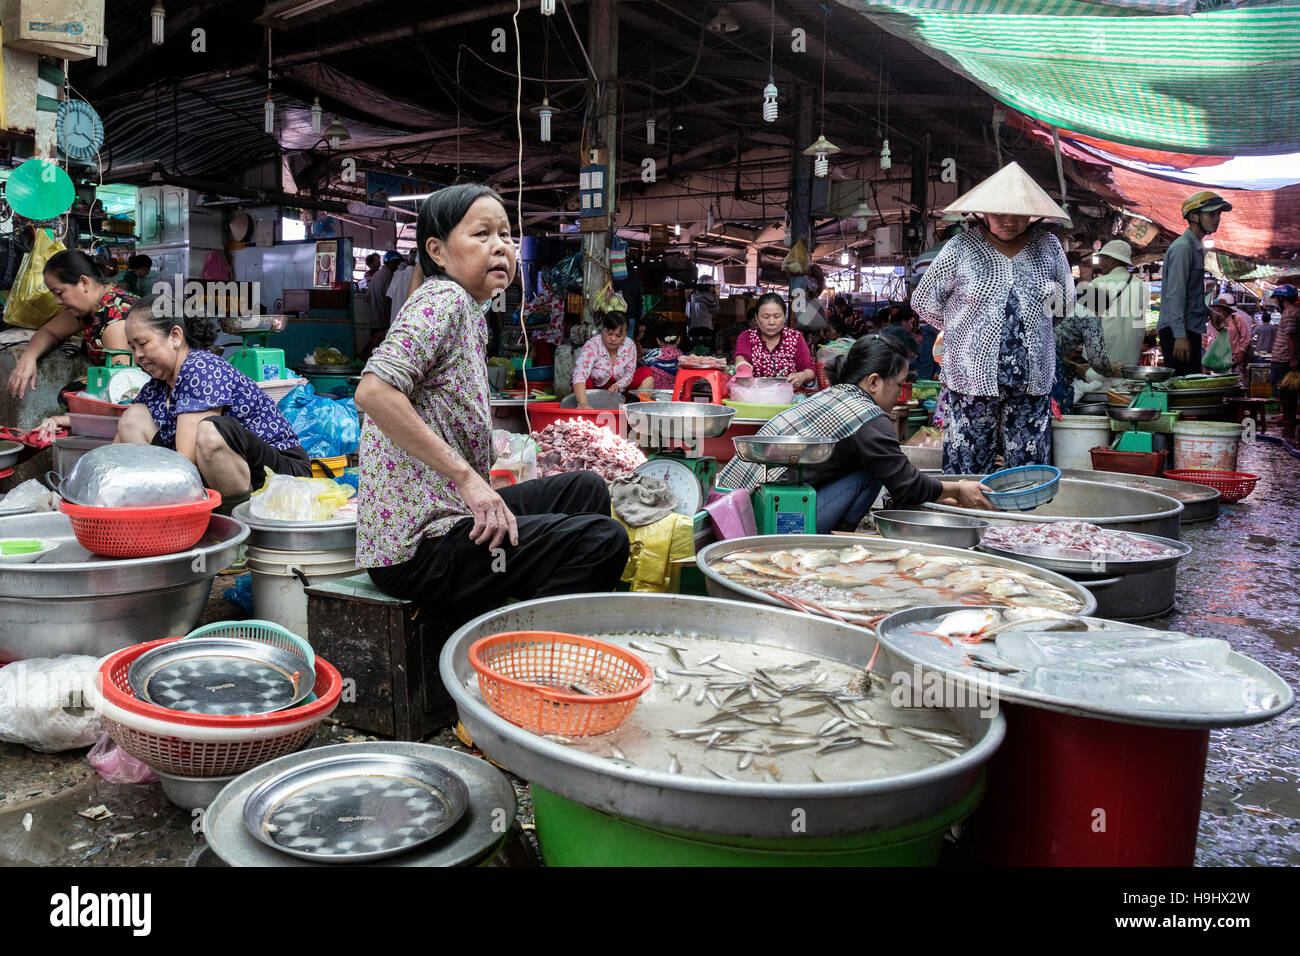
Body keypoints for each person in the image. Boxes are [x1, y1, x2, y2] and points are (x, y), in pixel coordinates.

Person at [353, 184, 628, 628]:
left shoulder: (467, 309)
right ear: (438, 252)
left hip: (452, 518)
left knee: (586, 488)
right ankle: (526, 653)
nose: (500, 246)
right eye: (482, 234)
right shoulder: (444, 300)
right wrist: (467, 478)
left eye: (505, 234)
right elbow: (373, 393)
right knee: (601, 540)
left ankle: (531, 603)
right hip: (417, 549)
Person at [716, 334, 990, 533]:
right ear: (873, 382)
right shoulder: (868, 418)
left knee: (872, 463)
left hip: (729, 510)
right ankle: (834, 539)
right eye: (898, 384)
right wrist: (959, 489)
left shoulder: (829, 396)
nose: (899, 393)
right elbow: (907, 486)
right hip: (758, 524)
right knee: (872, 470)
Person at [912, 161, 1073, 474]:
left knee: (1028, 470)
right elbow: (924, 300)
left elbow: (1065, 303)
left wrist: (1034, 332)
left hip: (1033, 379)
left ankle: (1024, 523)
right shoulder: (961, 247)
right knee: (967, 467)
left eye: (1018, 212)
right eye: (1000, 212)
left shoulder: (1049, 247)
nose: (1009, 221)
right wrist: (963, 331)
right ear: (982, 212)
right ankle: (969, 522)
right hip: (969, 377)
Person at [115, 296, 311, 510]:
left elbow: (185, 463)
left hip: (284, 475)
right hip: (225, 475)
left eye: (143, 344)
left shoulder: (201, 368)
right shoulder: (157, 387)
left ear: (175, 336)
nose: (138, 356)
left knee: (210, 432)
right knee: (133, 419)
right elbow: (118, 450)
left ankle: (234, 518)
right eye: (132, 347)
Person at [7, 249, 139, 399]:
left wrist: (65, 419)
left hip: (139, 396)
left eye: (59, 293)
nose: (57, 301)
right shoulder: (91, 308)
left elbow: (123, 391)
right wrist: (28, 357)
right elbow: (49, 332)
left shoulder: (114, 321)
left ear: (84, 283)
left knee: (71, 396)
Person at [1157, 191, 1232, 375]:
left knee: (1189, 385)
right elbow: (1175, 295)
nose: (1217, 219)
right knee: (1183, 388)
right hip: (1179, 332)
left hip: (1188, 329)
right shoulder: (1183, 248)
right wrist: (1180, 336)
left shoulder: (1195, 247)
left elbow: (1190, 294)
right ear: (1193, 216)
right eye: (1211, 214)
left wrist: (1209, 312)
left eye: (1218, 214)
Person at [1051, 281, 1119, 414]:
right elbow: (1098, 361)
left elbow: (1052, 352)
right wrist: (1113, 370)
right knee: (1060, 407)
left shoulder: (1069, 309)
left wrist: (1076, 367)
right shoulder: (1089, 317)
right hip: (1049, 367)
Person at [731, 292, 816, 386]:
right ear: (756, 318)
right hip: (755, 396)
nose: (772, 322)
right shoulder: (747, 336)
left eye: (777, 316)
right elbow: (741, 357)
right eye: (765, 317)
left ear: (784, 317)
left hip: (790, 396)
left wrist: (802, 376)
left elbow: (809, 369)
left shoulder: (795, 337)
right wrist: (744, 370)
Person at [1089, 239, 1149, 369]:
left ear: (1112, 260)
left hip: (1103, 352)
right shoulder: (1141, 285)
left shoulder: (1097, 283)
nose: (1100, 264)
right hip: (1130, 354)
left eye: (1103, 259)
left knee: (1099, 387)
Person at [571, 311, 637, 407]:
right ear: (603, 329)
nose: (613, 339)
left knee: (645, 373)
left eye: (618, 336)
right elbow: (580, 375)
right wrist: (584, 404)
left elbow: (629, 374)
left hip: (617, 391)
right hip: (592, 390)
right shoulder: (592, 345)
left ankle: (632, 410)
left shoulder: (630, 346)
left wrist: (618, 385)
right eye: (609, 334)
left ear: (626, 334)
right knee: (585, 381)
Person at [1268, 284, 1298, 440]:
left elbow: (1291, 338)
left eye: (1276, 298)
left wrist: (1292, 359)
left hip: (1283, 357)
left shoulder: (1290, 314)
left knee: (1284, 389)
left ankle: (1289, 417)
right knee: (1289, 390)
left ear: (1281, 298)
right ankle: (1288, 415)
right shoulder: (1292, 312)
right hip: (1285, 357)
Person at [1204, 293, 1253, 376]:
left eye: (1219, 310)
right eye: (1214, 310)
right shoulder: (1210, 323)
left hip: (1234, 359)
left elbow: (1246, 337)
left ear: (1226, 310)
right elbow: (1205, 339)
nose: (1216, 313)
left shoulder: (1236, 319)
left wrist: (1242, 351)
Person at [639, 321, 683, 390]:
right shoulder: (684, 358)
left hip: (653, 393)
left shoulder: (652, 354)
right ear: (678, 340)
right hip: (676, 393)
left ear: (658, 341)